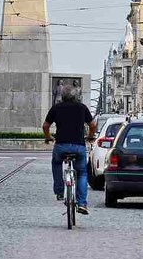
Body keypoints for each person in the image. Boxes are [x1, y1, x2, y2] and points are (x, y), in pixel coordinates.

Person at [44, 85, 97, 215]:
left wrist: (48, 137)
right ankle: (82, 203)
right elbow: (93, 124)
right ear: (76, 96)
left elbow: (45, 126)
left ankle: (60, 191)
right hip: (78, 146)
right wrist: (90, 136)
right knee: (82, 173)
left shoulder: (56, 108)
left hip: (61, 145)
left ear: (62, 96)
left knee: (56, 163)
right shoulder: (82, 108)